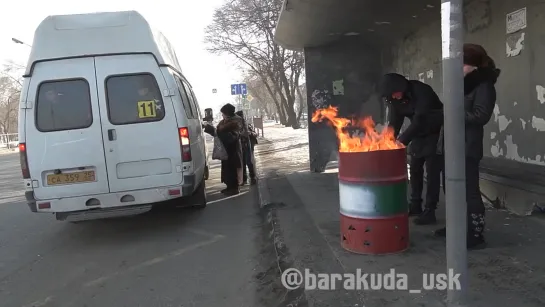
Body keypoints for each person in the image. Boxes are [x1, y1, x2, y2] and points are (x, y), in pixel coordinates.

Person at [435, 43, 500, 249]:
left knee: (469, 191)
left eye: (461, 65)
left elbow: (481, 116)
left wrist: (453, 114)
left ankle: (475, 233)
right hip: (450, 145)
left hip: (467, 147)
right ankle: (455, 226)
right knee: (451, 188)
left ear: (474, 65)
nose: (458, 69)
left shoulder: (484, 86)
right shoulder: (462, 84)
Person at [380, 73, 444, 225]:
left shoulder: (422, 91)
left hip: (436, 132)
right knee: (415, 168)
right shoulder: (395, 100)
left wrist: (402, 141)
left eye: (394, 93)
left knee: (432, 172)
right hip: (418, 135)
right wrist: (387, 141)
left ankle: (430, 210)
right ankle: (416, 205)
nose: (394, 98)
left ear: (400, 87)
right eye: (391, 96)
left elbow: (420, 120)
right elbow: (395, 122)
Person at [204, 103, 244, 195]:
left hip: (233, 150)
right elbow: (218, 133)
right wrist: (210, 129)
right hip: (226, 150)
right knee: (226, 169)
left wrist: (220, 133)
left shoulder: (235, 123)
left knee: (232, 169)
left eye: (223, 113)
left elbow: (232, 137)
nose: (222, 115)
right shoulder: (224, 122)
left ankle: (234, 188)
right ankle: (229, 186)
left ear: (227, 113)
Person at [236, 111, 257, 185]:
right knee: (242, 163)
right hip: (239, 147)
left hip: (247, 146)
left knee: (248, 162)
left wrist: (250, 133)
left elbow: (255, 134)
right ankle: (244, 179)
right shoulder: (236, 126)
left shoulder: (246, 125)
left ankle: (252, 177)